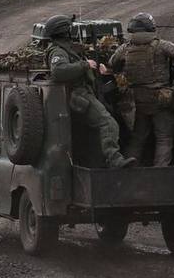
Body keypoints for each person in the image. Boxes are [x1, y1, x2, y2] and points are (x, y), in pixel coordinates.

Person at [41, 15, 136, 170]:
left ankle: (105, 161)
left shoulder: (66, 48)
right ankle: (115, 160)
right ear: (64, 31)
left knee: (111, 122)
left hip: (85, 93)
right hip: (78, 95)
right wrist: (85, 65)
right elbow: (58, 71)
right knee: (108, 123)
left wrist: (95, 67)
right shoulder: (58, 51)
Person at [108, 13, 174, 167]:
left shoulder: (125, 48)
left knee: (138, 138)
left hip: (138, 102)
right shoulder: (161, 45)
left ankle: (129, 169)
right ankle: (160, 170)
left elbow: (112, 63)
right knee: (164, 137)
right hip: (160, 100)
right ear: (150, 28)